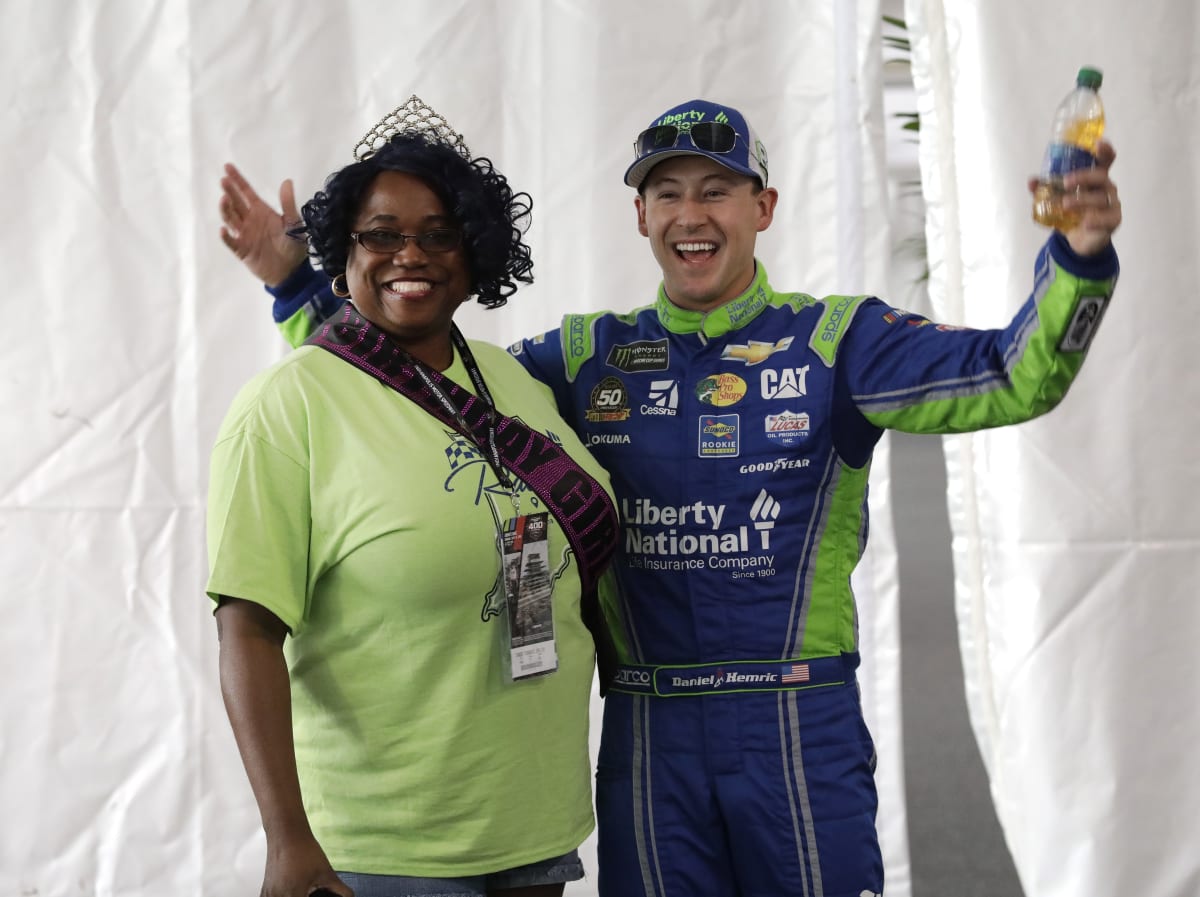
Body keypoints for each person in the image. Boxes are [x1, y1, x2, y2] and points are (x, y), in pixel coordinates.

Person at [221, 97, 1121, 897]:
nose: (692, 214)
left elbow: (1012, 377)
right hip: (647, 729)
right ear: (641, 216)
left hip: (795, 724)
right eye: (668, 192)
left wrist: (1079, 258)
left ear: (762, 208)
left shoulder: (841, 340)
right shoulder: (580, 357)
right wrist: (294, 283)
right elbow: (405, 386)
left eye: (717, 190)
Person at [207, 96, 620, 897]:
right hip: (383, 849)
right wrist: (288, 840)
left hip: (537, 827)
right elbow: (248, 629)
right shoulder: (285, 408)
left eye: (439, 233)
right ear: (343, 249)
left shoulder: (513, 381)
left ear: (476, 249)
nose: (412, 254)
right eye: (382, 234)